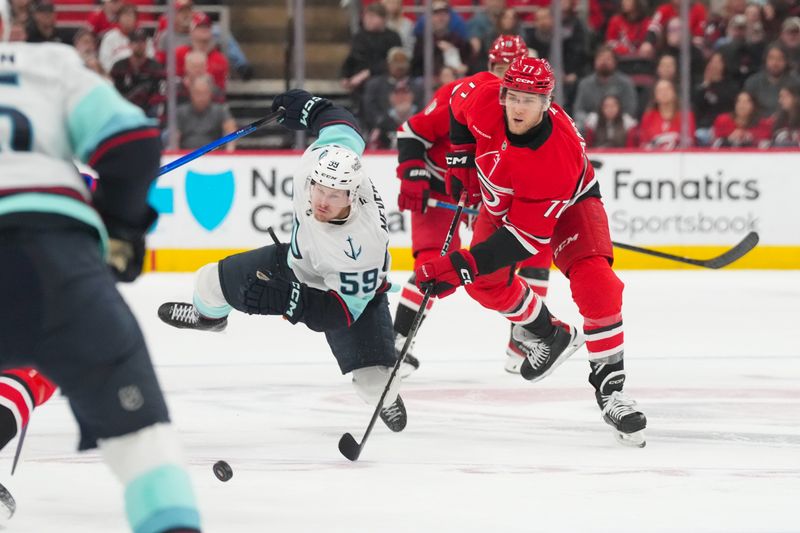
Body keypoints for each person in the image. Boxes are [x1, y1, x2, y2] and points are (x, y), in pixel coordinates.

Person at [0, 35, 202, 532]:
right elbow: (132, 146)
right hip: (56, 260)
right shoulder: (46, 64)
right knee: (145, 448)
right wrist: (120, 230)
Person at [414, 57, 648, 446]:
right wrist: (460, 160)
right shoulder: (487, 99)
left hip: (570, 203)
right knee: (483, 285)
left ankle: (611, 391)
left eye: (531, 99)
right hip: (503, 203)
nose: (519, 107)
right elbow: (457, 99)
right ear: (503, 94)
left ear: (547, 103)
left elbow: (523, 241)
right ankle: (549, 333)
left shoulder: (557, 155)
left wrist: (460, 264)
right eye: (514, 96)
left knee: (597, 283)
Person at [158, 90, 408, 433]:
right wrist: (310, 106)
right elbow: (342, 124)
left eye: (334, 195)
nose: (321, 200)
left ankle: (387, 391)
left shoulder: (361, 246)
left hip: (346, 296)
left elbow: (338, 313)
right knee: (208, 282)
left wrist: (293, 303)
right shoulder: (320, 161)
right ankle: (210, 319)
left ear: (352, 194)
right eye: (319, 189)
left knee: (372, 385)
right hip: (296, 262)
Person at [394, 34, 547, 375]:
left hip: (489, 196)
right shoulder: (460, 92)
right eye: (499, 67)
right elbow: (411, 131)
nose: (504, 74)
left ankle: (522, 344)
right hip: (441, 188)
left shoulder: (531, 108)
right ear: (489, 66)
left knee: (536, 253)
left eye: (512, 68)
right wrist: (413, 174)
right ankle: (396, 343)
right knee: (436, 266)